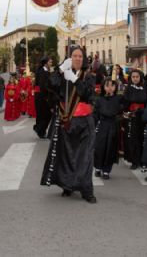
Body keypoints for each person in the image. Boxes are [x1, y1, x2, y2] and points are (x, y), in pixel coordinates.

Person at [41, 46, 97, 203]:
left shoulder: (88, 76)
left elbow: (86, 93)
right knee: (66, 154)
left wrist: (74, 78)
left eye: (80, 56)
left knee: (85, 157)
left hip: (85, 121)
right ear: (70, 58)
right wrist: (59, 70)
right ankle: (67, 185)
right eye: (74, 55)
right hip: (67, 120)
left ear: (84, 58)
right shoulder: (63, 73)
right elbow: (49, 85)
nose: (78, 58)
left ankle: (87, 190)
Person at [93, 78, 121, 179]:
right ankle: (97, 167)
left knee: (110, 148)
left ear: (115, 87)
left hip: (113, 126)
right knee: (99, 148)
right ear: (103, 87)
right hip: (102, 126)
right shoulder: (99, 99)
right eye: (107, 85)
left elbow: (121, 111)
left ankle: (106, 170)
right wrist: (92, 125)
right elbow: (95, 114)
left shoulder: (118, 98)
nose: (109, 88)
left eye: (112, 85)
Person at [121, 69, 147, 170]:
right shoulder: (128, 88)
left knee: (142, 138)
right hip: (132, 116)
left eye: (137, 77)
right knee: (133, 138)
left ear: (140, 77)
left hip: (142, 115)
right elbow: (125, 102)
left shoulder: (144, 87)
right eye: (133, 77)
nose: (135, 79)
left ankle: (142, 160)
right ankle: (134, 160)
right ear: (131, 78)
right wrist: (126, 112)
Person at [34, 56, 53, 138]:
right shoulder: (42, 72)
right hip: (42, 97)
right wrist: (46, 97)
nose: (51, 63)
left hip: (43, 96)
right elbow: (43, 86)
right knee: (45, 114)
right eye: (50, 62)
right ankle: (40, 131)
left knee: (46, 115)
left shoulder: (46, 71)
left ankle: (40, 130)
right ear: (45, 63)